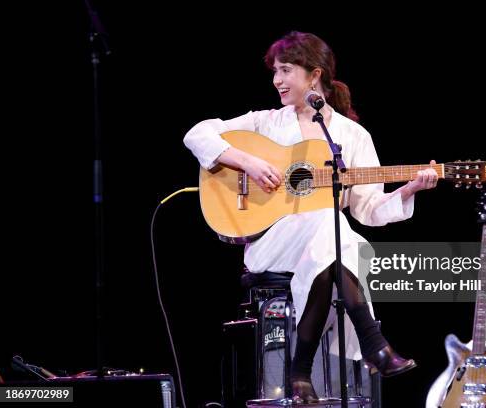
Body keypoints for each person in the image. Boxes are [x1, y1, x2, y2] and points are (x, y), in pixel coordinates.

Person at [184, 31, 438, 403]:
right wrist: (248, 162)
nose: (277, 80)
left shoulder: (352, 136)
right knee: (331, 226)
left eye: (285, 70)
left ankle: (300, 371)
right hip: (271, 241)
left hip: (324, 245)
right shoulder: (266, 122)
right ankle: (374, 342)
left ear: (314, 75)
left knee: (333, 233)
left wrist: (409, 190)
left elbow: (367, 209)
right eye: (275, 71)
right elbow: (196, 134)